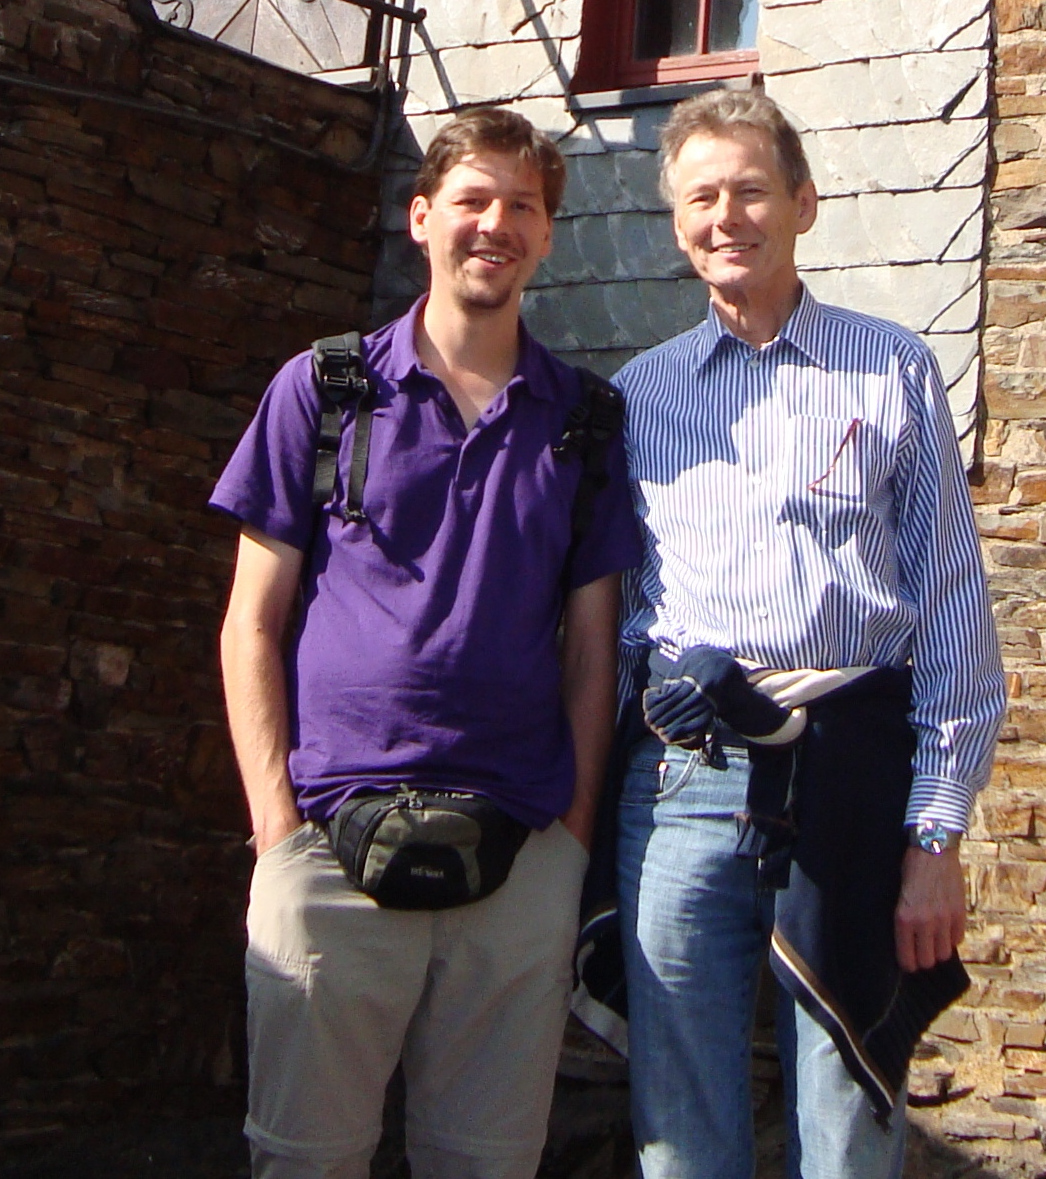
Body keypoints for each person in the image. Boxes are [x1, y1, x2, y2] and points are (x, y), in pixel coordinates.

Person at [210, 107, 640, 1179]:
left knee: (485, 1165)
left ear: (547, 236)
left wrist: (572, 838)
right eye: (473, 199)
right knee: (307, 1161)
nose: (496, 224)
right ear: (421, 216)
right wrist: (276, 830)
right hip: (327, 843)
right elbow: (251, 622)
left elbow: (593, 650)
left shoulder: (583, 421)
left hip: (520, 857)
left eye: (523, 206)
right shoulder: (326, 390)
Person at [612, 88, 1005, 1179]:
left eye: (749, 190)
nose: (725, 217)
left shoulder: (892, 369)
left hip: (850, 781)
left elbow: (953, 614)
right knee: (679, 1122)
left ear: (804, 204)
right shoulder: (639, 397)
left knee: (848, 1111)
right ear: (677, 222)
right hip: (682, 786)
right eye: (700, 197)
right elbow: (619, 607)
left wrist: (936, 837)